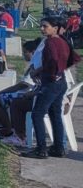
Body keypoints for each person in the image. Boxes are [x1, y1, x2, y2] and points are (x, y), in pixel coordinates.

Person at [25, 17, 80, 159]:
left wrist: (44, 72)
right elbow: (74, 59)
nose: (42, 29)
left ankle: (41, 149)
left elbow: (54, 61)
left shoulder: (50, 42)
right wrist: (60, 70)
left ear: (55, 28)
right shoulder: (63, 41)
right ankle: (58, 147)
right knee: (55, 114)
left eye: (45, 26)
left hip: (51, 83)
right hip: (61, 83)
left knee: (37, 114)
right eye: (41, 26)